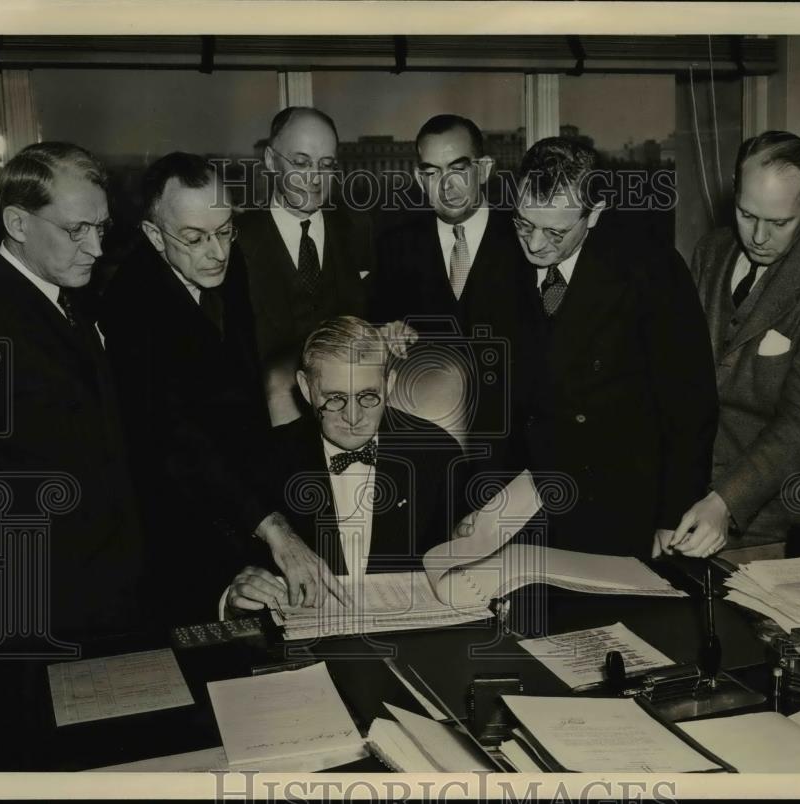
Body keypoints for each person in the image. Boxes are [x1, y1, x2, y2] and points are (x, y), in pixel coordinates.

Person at [99, 153, 344, 623]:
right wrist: (274, 530)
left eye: (225, 230)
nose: (217, 252)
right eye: (194, 238)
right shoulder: (130, 308)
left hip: (241, 501)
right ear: (155, 235)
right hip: (178, 526)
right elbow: (177, 445)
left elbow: (242, 401)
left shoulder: (227, 263)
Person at [0, 142, 144, 680]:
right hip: (38, 611)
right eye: (76, 230)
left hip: (97, 593)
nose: (96, 247)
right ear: (18, 223)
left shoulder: (64, 294)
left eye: (101, 227)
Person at [656, 131, 800, 560]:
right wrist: (669, 499)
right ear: (735, 190)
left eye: (779, 223)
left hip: (777, 523)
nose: (757, 236)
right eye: (746, 214)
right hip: (687, 500)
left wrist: (725, 501)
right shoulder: (710, 252)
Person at [510, 136, 718, 558]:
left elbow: (689, 403)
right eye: (524, 224)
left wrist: (672, 515)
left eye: (555, 232)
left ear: (594, 213)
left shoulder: (651, 269)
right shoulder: (499, 259)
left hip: (616, 505)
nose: (534, 244)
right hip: (519, 505)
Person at [224, 316, 468, 614]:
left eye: (368, 396)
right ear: (306, 388)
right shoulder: (264, 460)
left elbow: (467, 572)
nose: (353, 417)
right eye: (335, 398)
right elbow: (231, 574)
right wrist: (235, 597)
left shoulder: (437, 453)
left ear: (389, 384)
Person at [371, 114, 527, 460]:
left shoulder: (526, 242)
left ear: (484, 170)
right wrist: (385, 332)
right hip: (426, 448)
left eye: (458, 169)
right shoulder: (394, 246)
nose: (445, 186)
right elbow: (373, 329)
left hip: (514, 449)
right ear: (419, 178)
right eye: (432, 172)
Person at [237, 107, 373, 426]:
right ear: (271, 161)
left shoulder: (360, 230)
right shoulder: (235, 241)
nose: (314, 178)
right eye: (300, 163)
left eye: (325, 165)